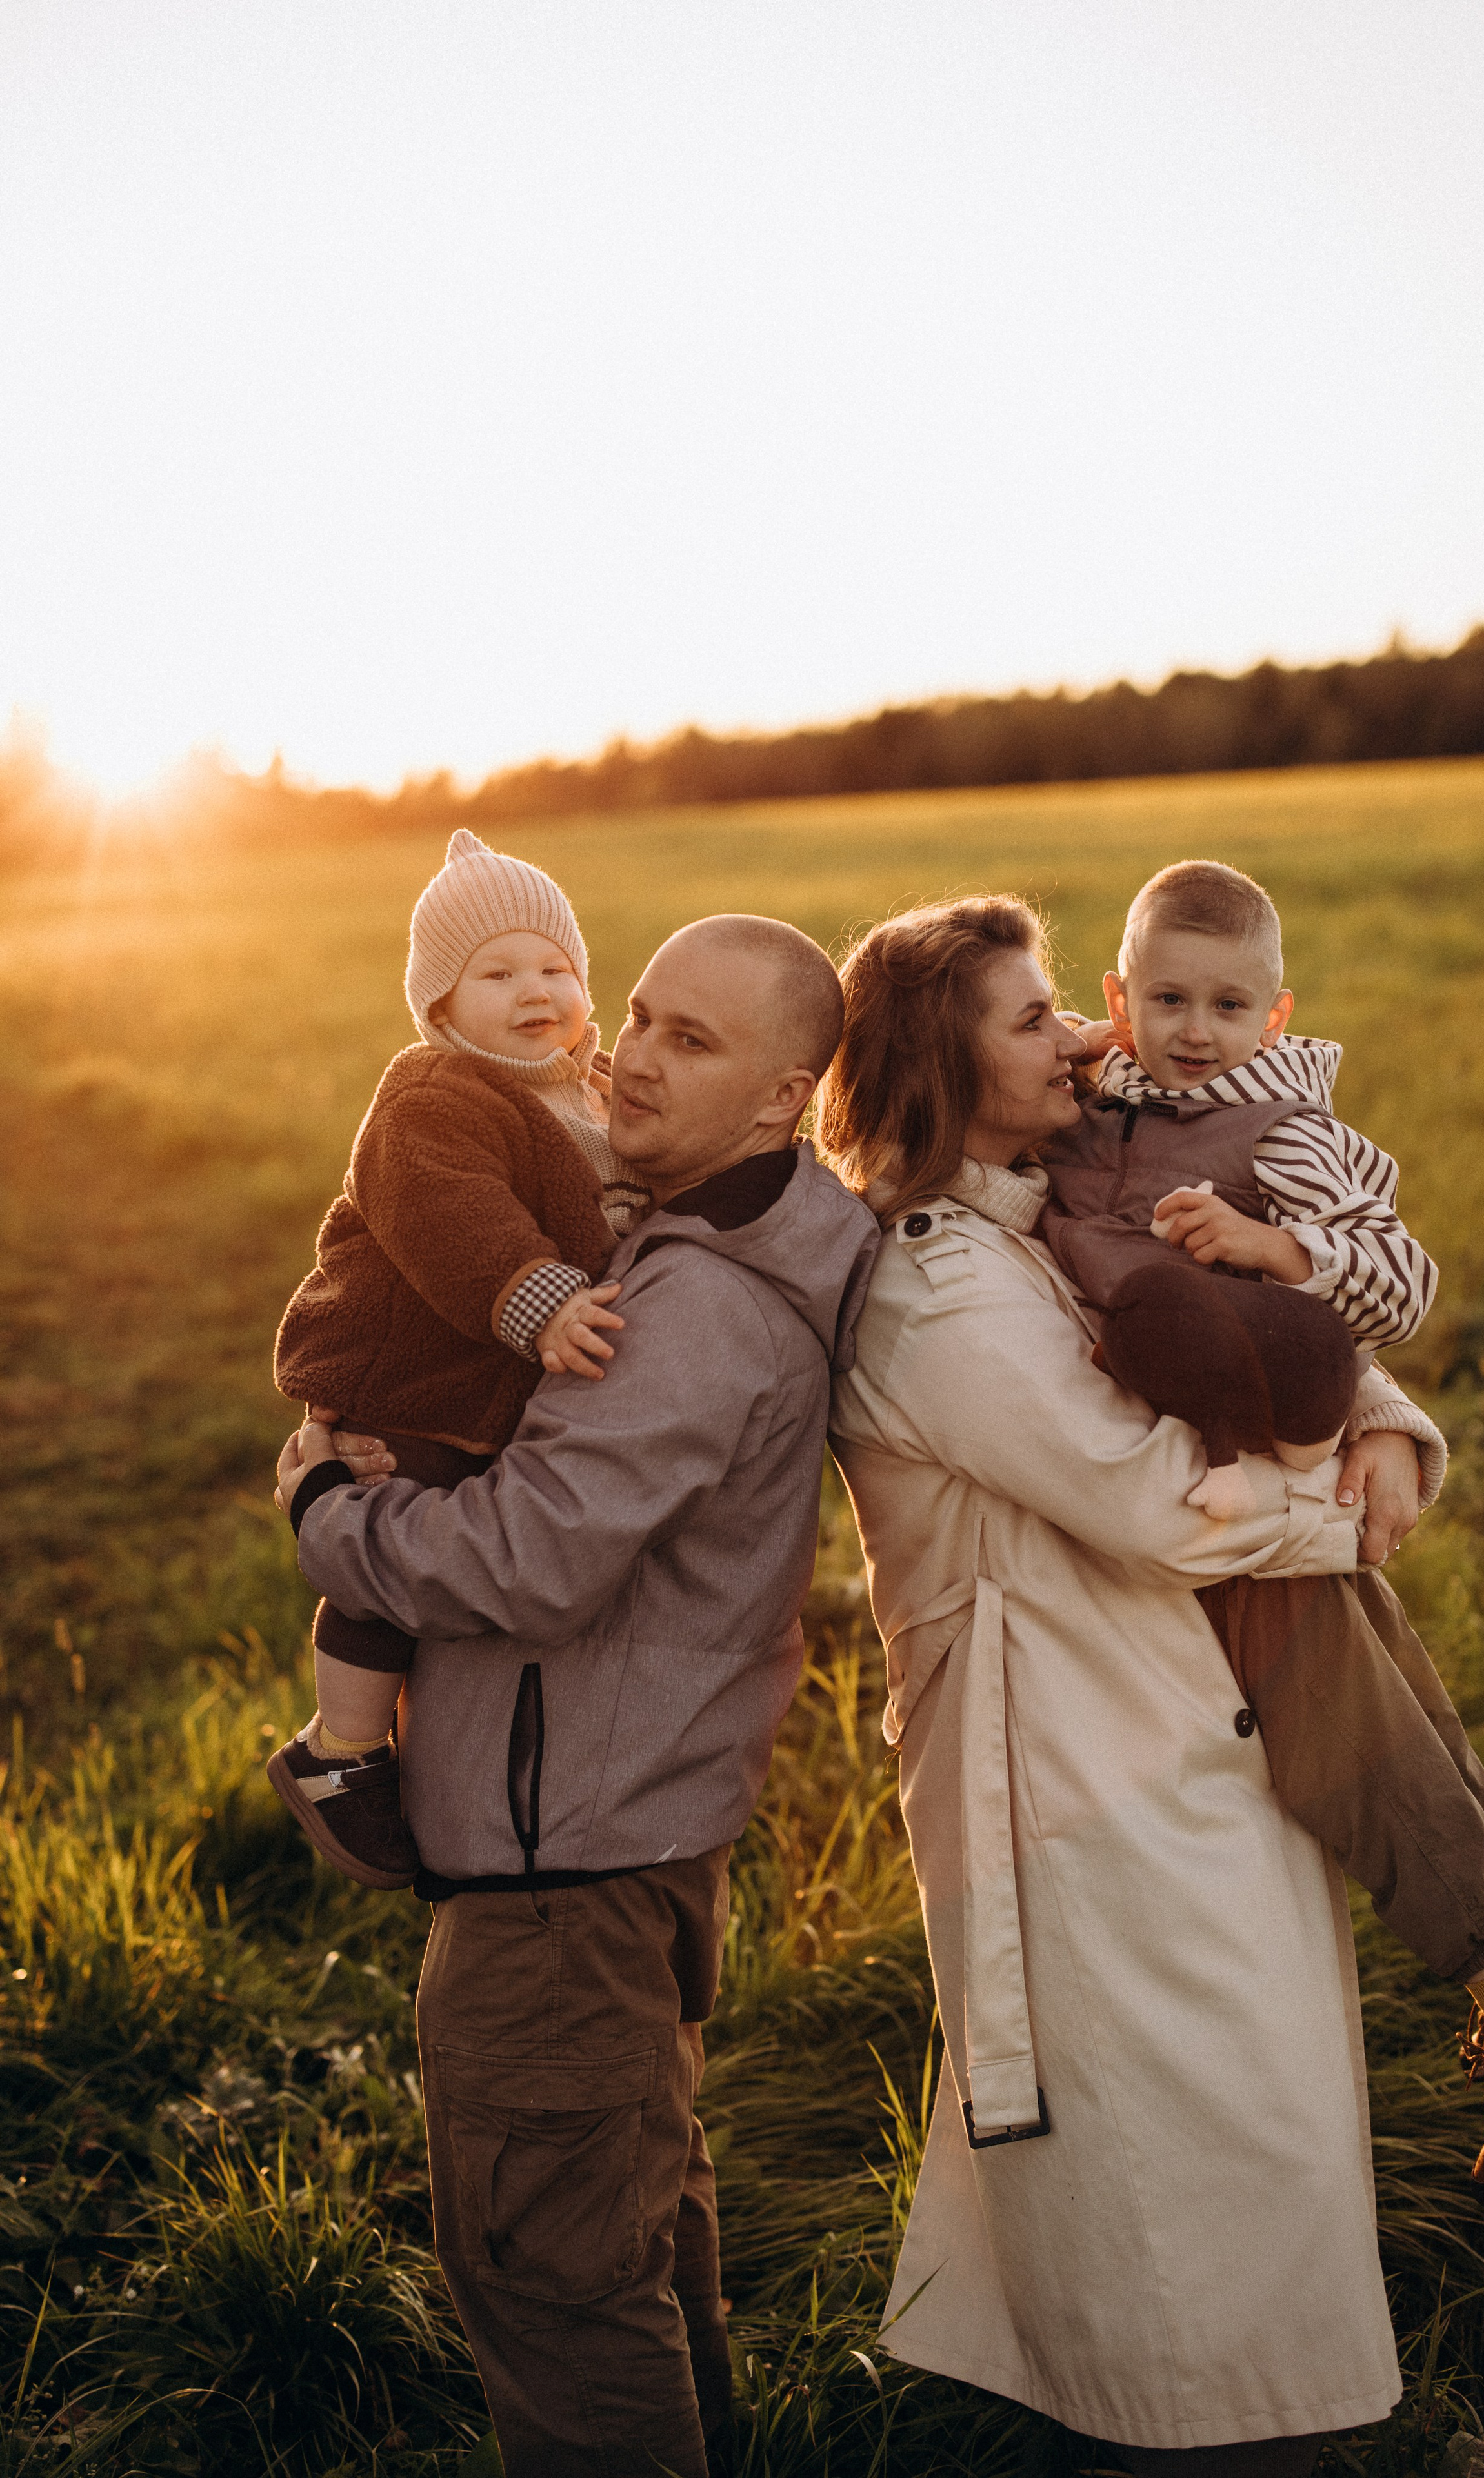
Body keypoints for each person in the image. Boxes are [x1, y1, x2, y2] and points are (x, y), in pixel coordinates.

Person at [817, 894, 1456, 2476]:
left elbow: (1229, 1291)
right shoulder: (931, 1284)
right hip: (1064, 1786)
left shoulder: (1041, 1197)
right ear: (938, 1060)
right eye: (1035, 1019)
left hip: (1162, 1726)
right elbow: (1150, 1496)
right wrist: (1349, 1507)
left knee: (1246, 2140)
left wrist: (1376, 1408)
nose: (1087, 1038)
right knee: (1179, 2176)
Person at [273, 915, 880, 2478]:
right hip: (630, 1832)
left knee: (553, 2284)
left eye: (692, 1040)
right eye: (642, 1015)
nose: (630, 1052)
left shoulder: (688, 1310)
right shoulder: (708, 1248)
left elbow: (531, 1561)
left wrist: (328, 1516)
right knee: (633, 2242)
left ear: (780, 1100)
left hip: (561, 1881)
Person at [1037, 860, 1484, 2208]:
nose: (1195, 1029)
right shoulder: (1091, 1099)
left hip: (1251, 1465)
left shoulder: (1281, 1127)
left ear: (1276, 1008)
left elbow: (1401, 1277)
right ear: (1116, 1000)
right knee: (1387, 1693)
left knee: (1342, 1746)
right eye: (1166, 998)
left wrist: (1273, 1247)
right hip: (1215, 1473)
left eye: (1229, 1003)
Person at [266, 827, 647, 1889]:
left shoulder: (592, 1086)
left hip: (498, 1378)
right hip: (411, 1372)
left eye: (557, 967)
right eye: (498, 973)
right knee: (391, 1552)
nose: (537, 988)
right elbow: (453, 1217)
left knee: (462, 1568)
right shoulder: (435, 1096)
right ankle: (339, 1750)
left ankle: (423, 1740)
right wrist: (536, 1298)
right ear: (439, 1008)